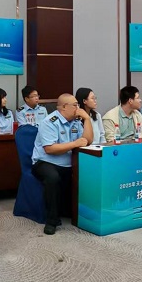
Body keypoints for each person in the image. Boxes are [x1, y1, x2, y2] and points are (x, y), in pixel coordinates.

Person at [31, 93, 93, 235]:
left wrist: (87, 119)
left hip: (68, 162)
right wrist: (75, 143)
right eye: (75, 105)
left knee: (88, 172)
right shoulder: (49, 122)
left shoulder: (76, 121)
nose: (78, 108)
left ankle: (75, 211)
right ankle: (51, 221)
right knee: (53, 177)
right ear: (64, 107)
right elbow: (50, 149)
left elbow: (88, 140)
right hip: (45, 162)